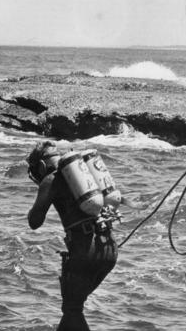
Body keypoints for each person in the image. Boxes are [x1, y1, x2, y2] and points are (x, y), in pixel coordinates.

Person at [26, 141, 118, 331]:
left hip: (85, 252)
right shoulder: (86, 172)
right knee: (72, 308)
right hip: (109, 247)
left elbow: (34, 222)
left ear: (42, 166)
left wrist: (42, 191)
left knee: (72, 309)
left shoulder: (51, 179)